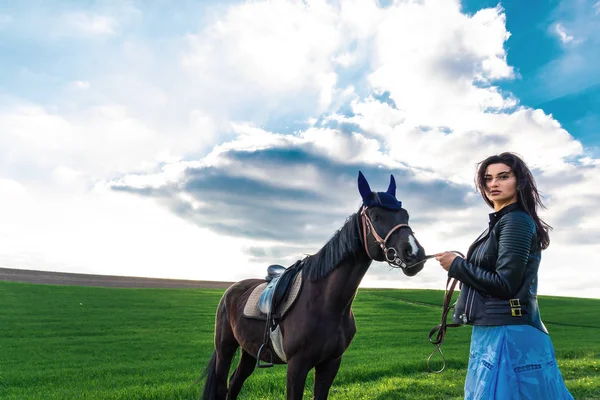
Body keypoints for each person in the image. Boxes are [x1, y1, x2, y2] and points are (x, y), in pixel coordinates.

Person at [435, 152, 573, 399]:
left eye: (503, 176)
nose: (493, 184)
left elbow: (505, 284)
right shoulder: (502, 222)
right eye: (487, 179)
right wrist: (465, 264)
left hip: (509, 332)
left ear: (519, 182)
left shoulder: (516, 221)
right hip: (494, 329)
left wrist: (457, 266)